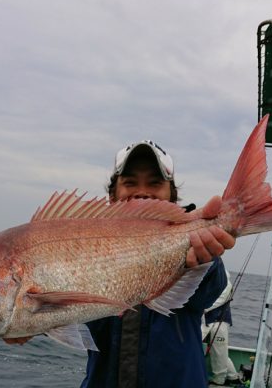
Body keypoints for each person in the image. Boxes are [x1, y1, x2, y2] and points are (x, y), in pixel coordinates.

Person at [80, 140, 236, 388]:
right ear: (112, 196)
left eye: (155, 183)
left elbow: (209, 292)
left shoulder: (191, 244)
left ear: (172, 197)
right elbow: (60, 315)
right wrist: (23, 324)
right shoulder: (85, 251)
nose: (142, 191)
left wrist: (204, 260)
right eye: (130, 183)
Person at [202, 269, 243, 387]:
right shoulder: (213, 280)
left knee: (219, 350)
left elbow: (222, 298)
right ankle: (233, 376)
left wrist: (201, 309)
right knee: (220, 351)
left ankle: (219, 380)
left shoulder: (225, 282)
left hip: (219, 320)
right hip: (208, 321)